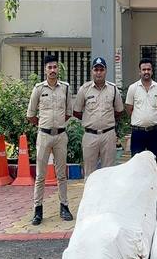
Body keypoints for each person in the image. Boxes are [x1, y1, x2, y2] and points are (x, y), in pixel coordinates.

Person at [26, 55, 73, 226]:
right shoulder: (38, 89)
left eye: (55, 67)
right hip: (44, 136)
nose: (52, 70)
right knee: (40, 175)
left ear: (58, 69)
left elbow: (68, 112)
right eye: (49, 67)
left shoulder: (65, 88)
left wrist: (57, 125)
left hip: (60, 136)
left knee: (62, 175)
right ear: (45, 70)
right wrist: (44, 125)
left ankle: (64, 206)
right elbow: (31, 114)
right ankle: (38, 210)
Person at [73, 56, 124, 179]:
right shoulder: (84, 89)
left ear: (106, 71)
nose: (99, 73)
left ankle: (107, 193)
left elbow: (119, 111)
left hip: (108, 135)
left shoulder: (113, 89)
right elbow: (76, 112)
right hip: (90, 136)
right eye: (96, 70)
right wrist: (90, 120)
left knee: (109, 173)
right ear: (92, 71)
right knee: (89, 174)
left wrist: (107, 121)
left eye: (101, 70)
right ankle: (90, 193)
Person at [125, 58, 157, 165]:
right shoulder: (133, 88)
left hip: (154, 132)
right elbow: (129, 109)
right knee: (136, 165)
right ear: (140, 72)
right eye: (143, 69)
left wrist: (151, 119)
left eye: (148, 69)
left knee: (153, 163)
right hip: (138, 133)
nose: (146, 72)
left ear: (152, 71)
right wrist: (140, 119)